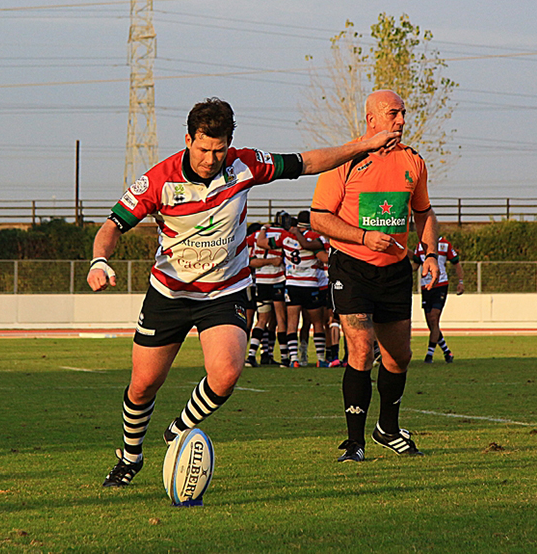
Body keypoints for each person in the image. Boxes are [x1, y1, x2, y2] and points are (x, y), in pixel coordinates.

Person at [89, 97, 400, 486]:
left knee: (227, 373)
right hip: (170, 292)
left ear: (229, 143)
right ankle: (129, 458)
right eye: (203, 149)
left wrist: (362, 144)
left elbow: (305, 162)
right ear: (188, 140)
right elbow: (111, 226)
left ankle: (177, 431)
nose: (210, 158)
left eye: (219, 150)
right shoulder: (159, 180)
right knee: (143, 384)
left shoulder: (245, 164)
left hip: (225, 290)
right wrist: (99, 260)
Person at [310, 90, 440, 462]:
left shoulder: (413, 161)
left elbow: (424, 213)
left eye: (403, 114)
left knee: (398, 357)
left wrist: (430, 254)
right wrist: (364, 237)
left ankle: (387, 428)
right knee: (362, 348)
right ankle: (354, 443)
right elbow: (319, 217)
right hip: (351, 267)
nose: (401, 120)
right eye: (393, 114)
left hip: (395, 272)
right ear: (371, 119)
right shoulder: (345, 160)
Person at [279, 210, 329, 367]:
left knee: (292, 323)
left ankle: (294, 359)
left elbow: (264, 243)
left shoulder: (285, 236)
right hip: (310, 285)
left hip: (292, 284)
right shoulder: (314, 238)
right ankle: (320, 359)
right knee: (317, 323)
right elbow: (325, 258)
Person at [246, 217, 287, 367]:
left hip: (260, 282)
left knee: (262, 320)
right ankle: (285, 358)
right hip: (276, 281)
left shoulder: (256, 236)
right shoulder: (283, 234)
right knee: (280, 319)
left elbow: (250, 260)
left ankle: (254, 355)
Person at [415, 238, 463, 363]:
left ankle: (429, 354)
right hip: (425, 287)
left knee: (433, 317)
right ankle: (447, 352)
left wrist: (460, 282)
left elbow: (456, 263)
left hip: (440, 285)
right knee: (431, 323)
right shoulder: (420, 245)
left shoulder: (445, 244)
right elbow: (415, 264)